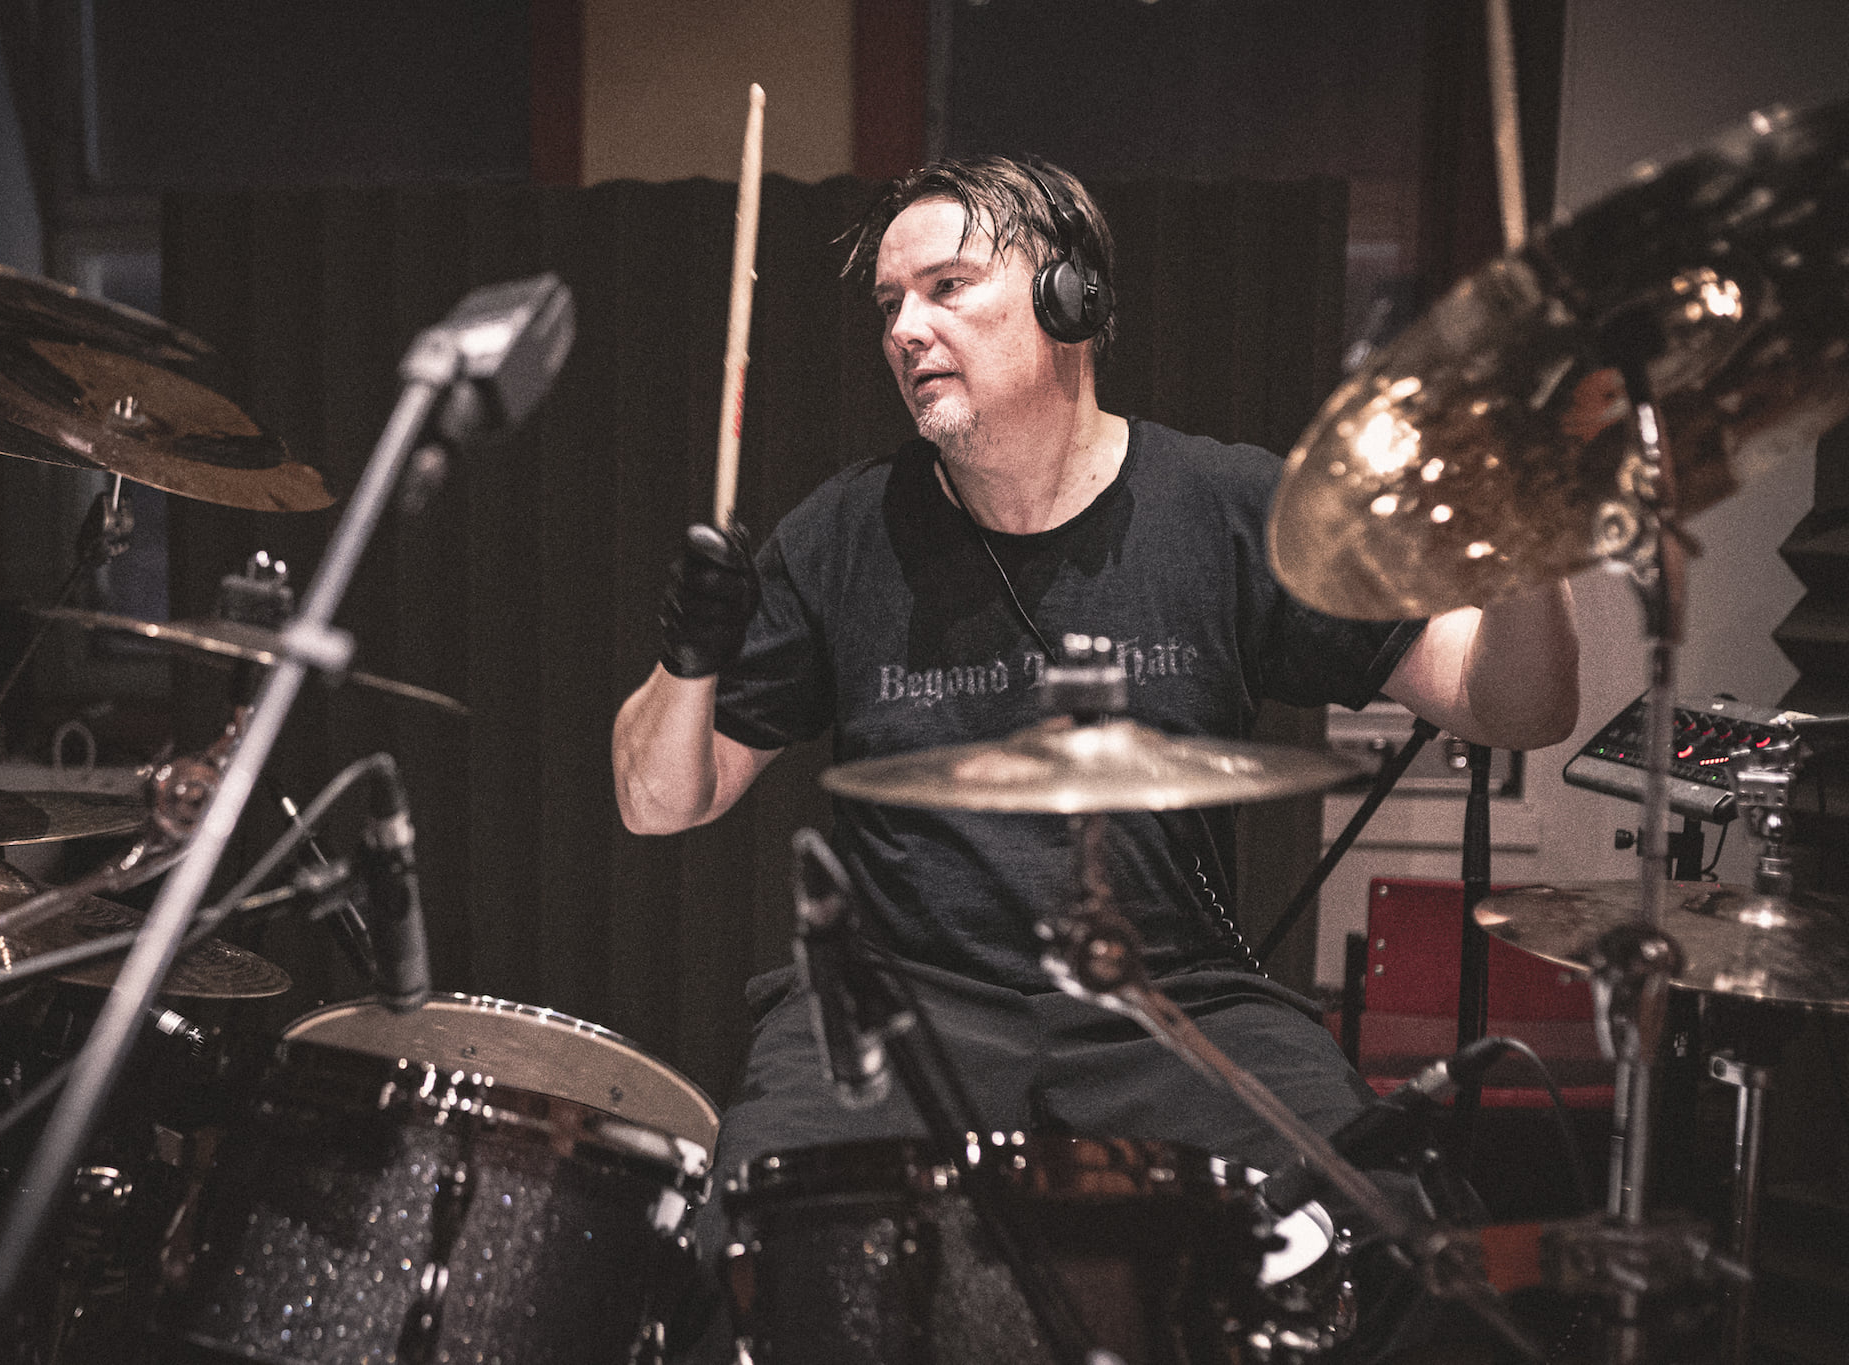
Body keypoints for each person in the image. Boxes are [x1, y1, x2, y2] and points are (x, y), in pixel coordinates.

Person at [612, 155, 1580, 1351]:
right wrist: (685, 659)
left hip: (1170, 1001)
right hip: (901, 1008)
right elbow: (659, 801)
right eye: (889, 303)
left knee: (1390, 1235)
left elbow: (1510, 705)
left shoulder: (1230, 507)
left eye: (945, 287)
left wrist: (1534, 537)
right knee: (744, 1262)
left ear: (1068, 299)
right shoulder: (843, 533)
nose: (904, 328)